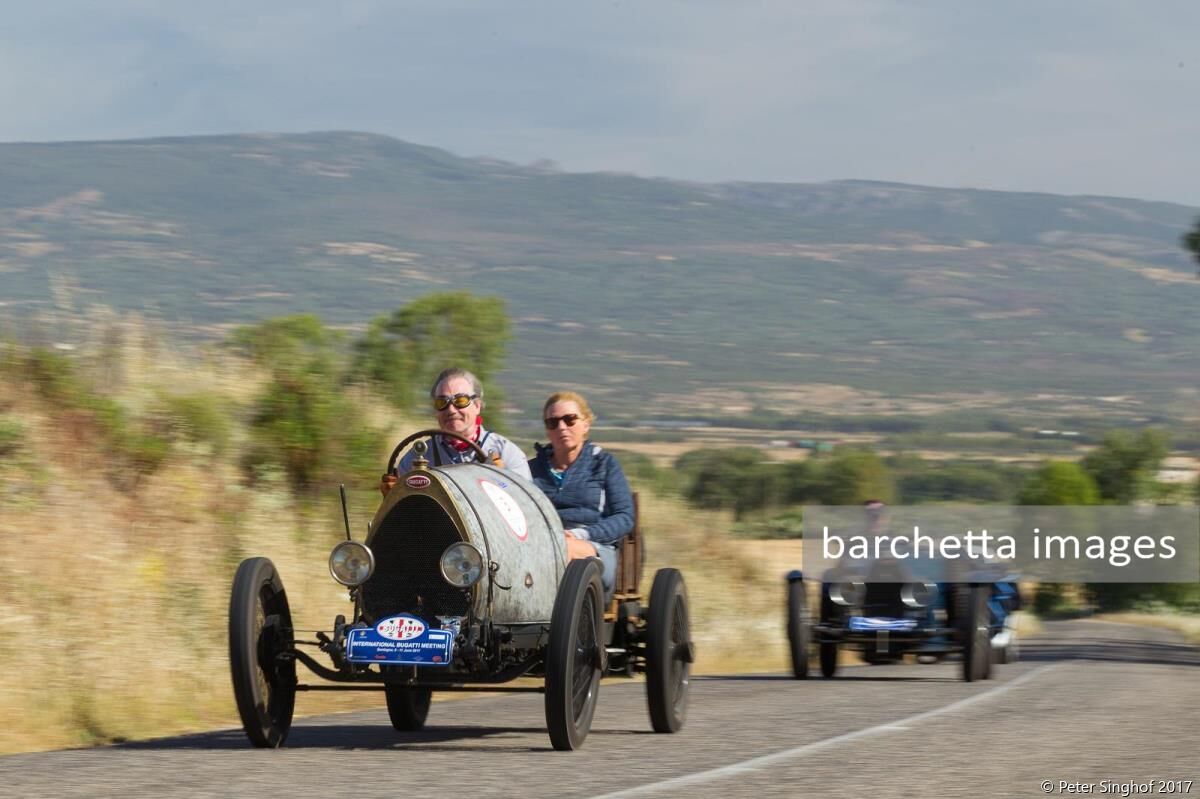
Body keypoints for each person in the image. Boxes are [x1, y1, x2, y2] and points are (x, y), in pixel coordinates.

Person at [528, 390, 634, 594]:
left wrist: (579, 534)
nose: (562, 427)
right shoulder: (531, 470)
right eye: (553, 422)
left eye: (569, 420)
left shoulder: (604, 464)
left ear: (586, 424)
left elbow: (624, 517)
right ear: (548, 430)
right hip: (541, 544)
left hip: (594, 546)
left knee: (565, 550)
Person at [381, 367, 530, 495]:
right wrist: (393, 495)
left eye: (460, 401)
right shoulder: (417, 457)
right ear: (436, 411)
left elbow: (528, 503)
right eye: (442, 402)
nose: (451, 410)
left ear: (477, 406)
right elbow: (403, 510)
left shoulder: (507, 453)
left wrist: (502, 480)